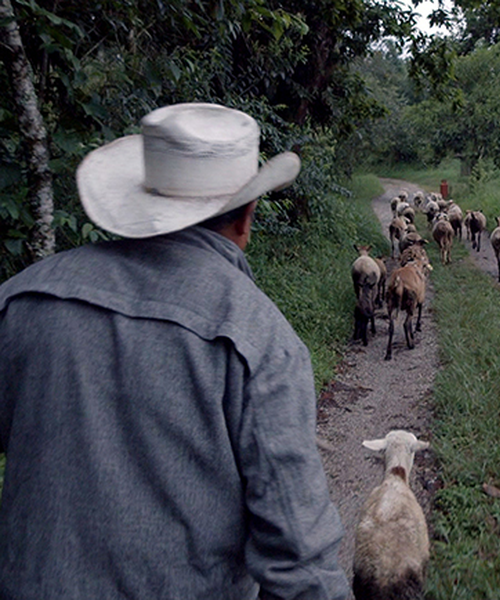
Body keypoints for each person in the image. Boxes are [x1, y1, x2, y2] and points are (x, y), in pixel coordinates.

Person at [0, 103, 350, 600]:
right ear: (247, 216)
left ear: (138, 200)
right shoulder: (258, 338)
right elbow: (299, 559)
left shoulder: (24, 298)